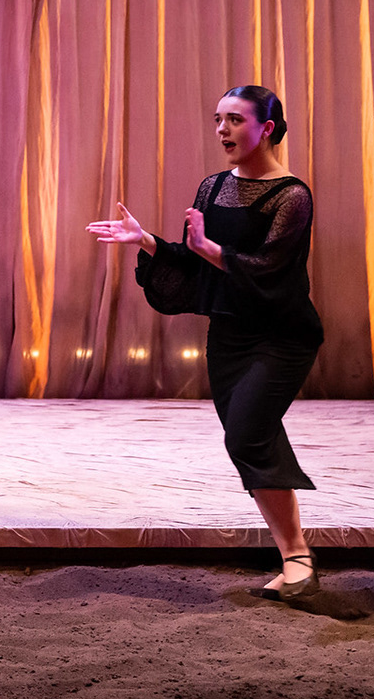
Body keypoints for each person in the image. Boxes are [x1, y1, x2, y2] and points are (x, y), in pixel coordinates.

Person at [87, 85, 324, 601]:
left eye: (234, 119)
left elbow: (269, 272)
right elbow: (196, 262)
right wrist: (146, 240)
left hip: (282, 336)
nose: (222, 129)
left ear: (266, 128)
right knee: (251, 437)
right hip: (229, 335)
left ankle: (298, 558)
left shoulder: (292, 196)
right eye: (218, 119)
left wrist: (208, 248)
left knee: (247, 436)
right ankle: (296, 560)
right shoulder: (212, 187)